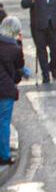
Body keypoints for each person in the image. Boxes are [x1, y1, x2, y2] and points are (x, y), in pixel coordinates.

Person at [0, 15, 22, 167]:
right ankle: (4, 155)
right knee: (4, 122)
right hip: (6, 89)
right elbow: (18, 67)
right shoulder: (15, 48)